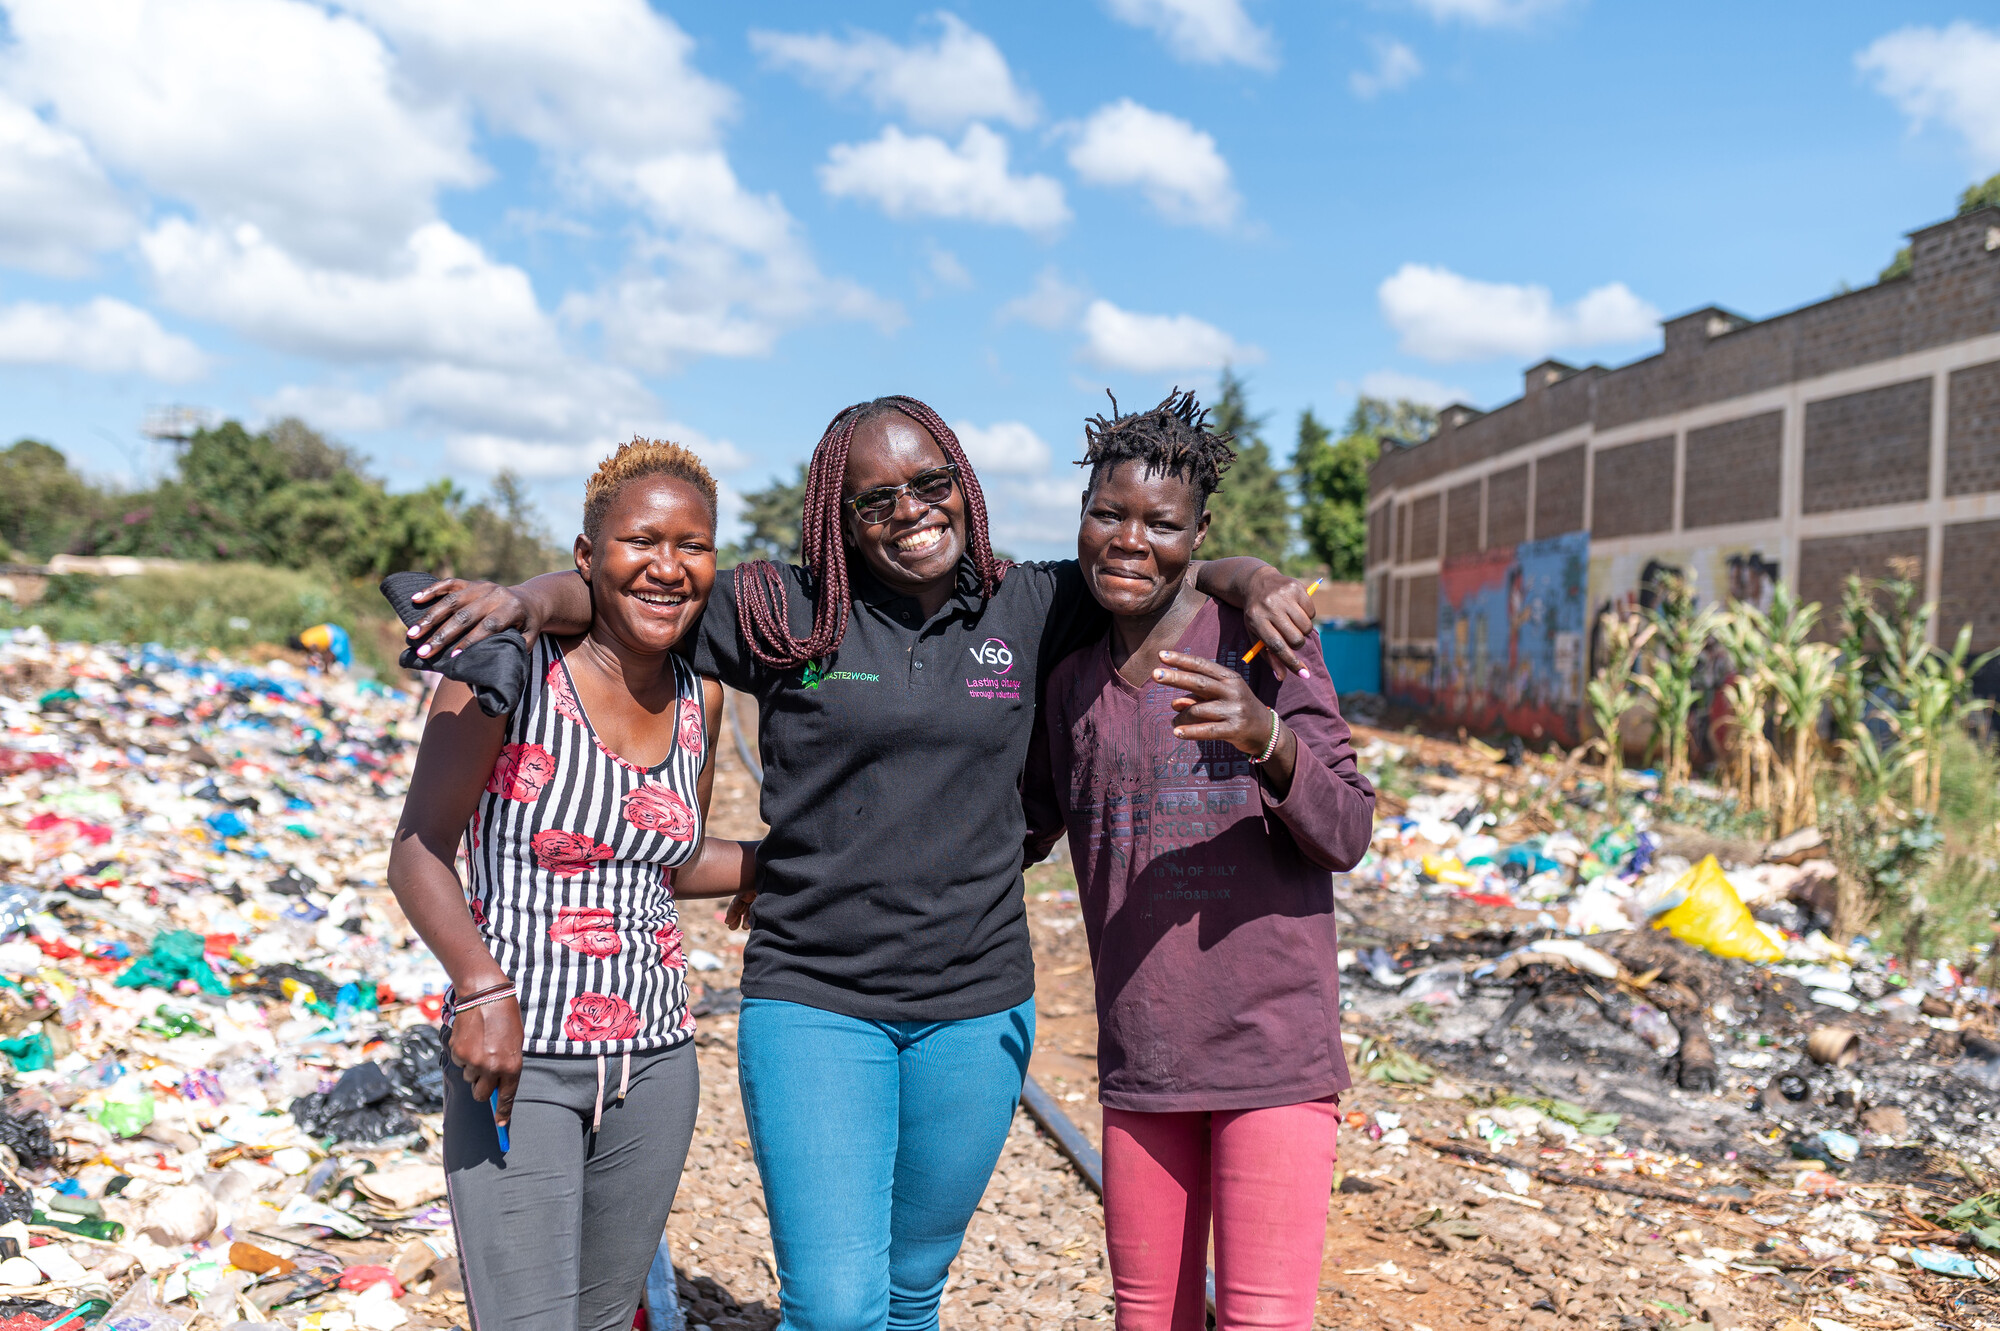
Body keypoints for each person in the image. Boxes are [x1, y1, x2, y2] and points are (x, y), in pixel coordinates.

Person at [397, 395, 1320, 1331]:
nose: (911, 511)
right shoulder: (783, 609)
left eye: (931, 484)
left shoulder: (1032, 601)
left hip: (977, 1007)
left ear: (965, 484)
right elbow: (629, 584)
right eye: (877, 499)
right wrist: (519, 601)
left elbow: (1159, 558)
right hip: (816, 1001)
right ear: (838, 518)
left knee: (912, 1292)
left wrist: (1256, 575)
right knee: (837, 1307)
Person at [1022, 391, 1377, 1331]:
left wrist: (1268, 737)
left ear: (1199, 532)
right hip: (1146, 1062)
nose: (1130, 541)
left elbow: (1345, 830)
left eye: (1162, 523)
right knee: (1150, 1320)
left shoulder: (1268, 644)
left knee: (1262, 1319)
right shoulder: (1069, 686)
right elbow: (1018, 830)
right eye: (1109, 513)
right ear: (1083, 516)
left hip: (1273, 1058)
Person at [386, 439, 755, 1331]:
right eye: (641, 541)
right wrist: (479, 986)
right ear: (588, 558)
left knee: (598, 1321)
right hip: (521, 1062)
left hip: (658, 1065)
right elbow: (420, 847)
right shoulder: (505, 673)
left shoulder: (701, 699)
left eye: (693, 545)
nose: (667, 567)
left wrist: (783, 860)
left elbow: (666, 855)